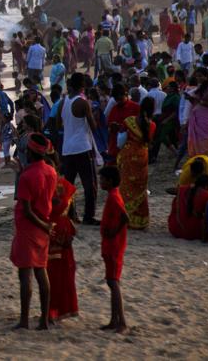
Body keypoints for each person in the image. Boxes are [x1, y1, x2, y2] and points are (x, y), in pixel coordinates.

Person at [10, 133, 57, 331]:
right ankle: (44, 320)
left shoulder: (27, 176)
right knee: (41, 271)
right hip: (43, 224)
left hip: (30, 227)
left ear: (30, 152)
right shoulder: (51, 171)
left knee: (25, 275)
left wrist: (43, 225)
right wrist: (45, 225)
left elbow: (28, 210)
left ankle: (24, 320)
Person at [61, 73, 100, 224]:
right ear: (83, 87)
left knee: (69, 185)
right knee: (90, 183)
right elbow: (93, 127)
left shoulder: (64, 101)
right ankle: (88, 216)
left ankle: (71, 214)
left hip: (67, 148)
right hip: (82, 147)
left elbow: (58, 124)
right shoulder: (83, 103)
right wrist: (94, 116)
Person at [46, 158, 79, 322]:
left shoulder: (47, 186)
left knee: (58, 273)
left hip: (56, 231)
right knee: (56, 273)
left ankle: (54, 310)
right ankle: (55, 309)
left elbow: (72, 212)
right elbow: (72, 213)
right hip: (58, 231)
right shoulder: (64, 186)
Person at [117, 97, 156, 230]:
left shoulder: (129, 121)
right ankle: (139, 220)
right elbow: (149, 142)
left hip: (128, 157)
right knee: (140, 188)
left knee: (126, 186)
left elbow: (120, 141)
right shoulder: (152, 125)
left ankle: (125, 217)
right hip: (142, 157)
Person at [98, 165, 129, 334]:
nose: (100, 182)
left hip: (114, 245)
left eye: (102, 179)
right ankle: (114, 320)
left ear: (110, 181)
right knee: (111, 281)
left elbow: (125, 217)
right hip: (111, 244)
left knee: (113, 282)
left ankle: (121, 322)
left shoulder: (113, 197)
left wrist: (114, 231)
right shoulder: (113, 195)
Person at [168, 174, 208, 240]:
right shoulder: (206, 195)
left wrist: (187, 187)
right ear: (206, 186)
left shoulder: (182, 190)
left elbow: (168, 190)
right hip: (193, 232)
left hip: (175, 229)